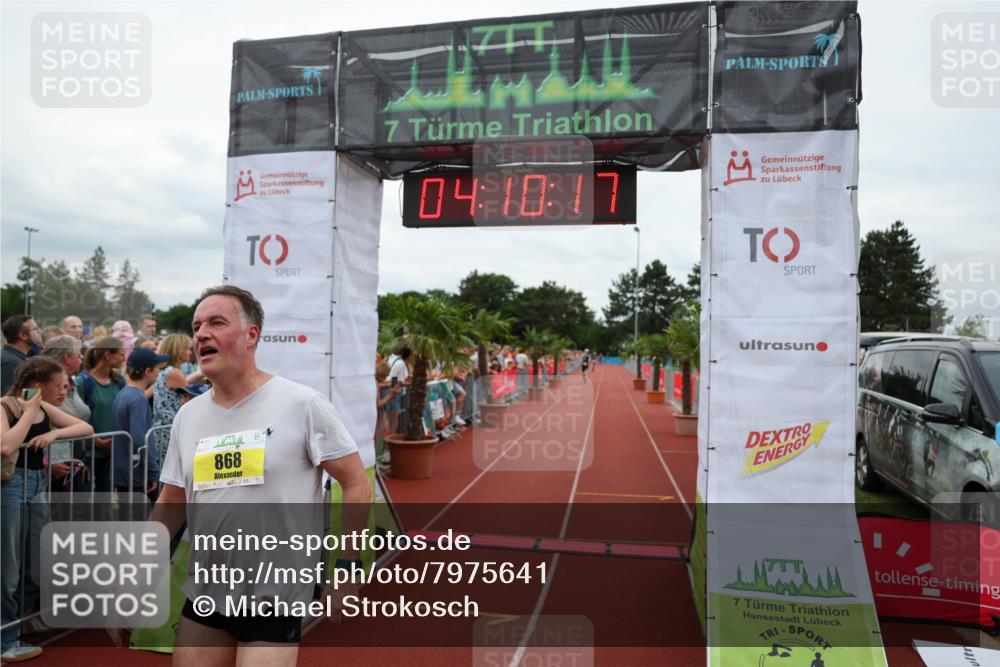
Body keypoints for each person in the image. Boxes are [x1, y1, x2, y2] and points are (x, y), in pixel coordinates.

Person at [136, 285, 371, 667]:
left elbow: (356, 482)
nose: (201, 334)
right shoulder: (188, 416)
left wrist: (346, 566)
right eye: (196, 326)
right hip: (206, 596)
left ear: (251, 335)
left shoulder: (302, 404)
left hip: (275, 600)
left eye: (216, 322)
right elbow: (171, 502)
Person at [1, 358, 93, 663]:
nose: (64, 391)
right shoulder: (6, 407)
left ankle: (16, 626)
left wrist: (53, 434)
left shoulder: (44, 409)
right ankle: (5, 641)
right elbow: (5, 446)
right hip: (10, 488)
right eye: (58, 385)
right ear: (39, 387)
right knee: (9, 568)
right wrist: (28, 413)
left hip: (37, 485)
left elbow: (85, 426)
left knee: (36, 561)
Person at [112, 348, 169, 500]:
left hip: (124, 471)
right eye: (157, 368)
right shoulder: (138, 399)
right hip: (136, 474)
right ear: (148, 371)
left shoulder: (124, 393)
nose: (159, 372)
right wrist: (152, 471)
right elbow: (139, 439)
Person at [75, 337, 126, 492]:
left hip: (112, 453)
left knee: (104, 502)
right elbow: (76, 417)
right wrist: (99, 442)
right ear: (108, 355)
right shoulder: (82, 382)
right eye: (121, 354)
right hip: (88, 453)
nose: (124, 358)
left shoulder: (119, 380)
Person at [42, 335, 91, 491]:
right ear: (67, 358)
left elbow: (86, 427)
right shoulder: (45, 387)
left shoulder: (74, 382)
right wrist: (46, 462)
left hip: (71, 461)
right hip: (52, 468)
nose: (82, 358)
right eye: (78, 355)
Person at [152, 334, 193, 470]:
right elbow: (194, 395)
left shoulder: (165, 371)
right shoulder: (174, 373)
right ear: (178, 351)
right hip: (171, 431)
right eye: (187, 349)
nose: (190, 352)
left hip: (163, 430)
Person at [1, 316, 42, 395]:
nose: (40, 331)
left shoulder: (16, 359)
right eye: (35, 329)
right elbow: (10, 398)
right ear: (23, 335)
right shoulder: (10, 363)